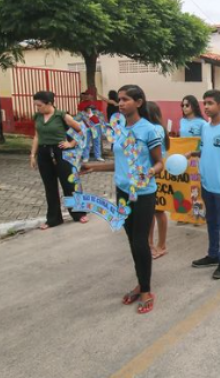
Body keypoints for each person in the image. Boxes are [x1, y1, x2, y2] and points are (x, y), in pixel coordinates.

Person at [82, 85, 164, 313]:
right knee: (131, 241)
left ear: (138, 102)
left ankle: (146, 290)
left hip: (144, 193)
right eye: (119, 100)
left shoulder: (149, 130)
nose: (120, 103)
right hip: (123, 193)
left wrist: (149, 172)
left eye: (125, 99)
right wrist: (94, 168)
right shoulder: (118, 129)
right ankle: (141, 283)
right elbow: (120, 162)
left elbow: (159, 162)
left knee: (140, 241)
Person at [186, 90, 220, 280]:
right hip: (207, 184)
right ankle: (213, 254)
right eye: (205, 103)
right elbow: (204, 150)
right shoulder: (205, 128)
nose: (206, 107)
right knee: (211, 221)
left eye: (210, 103)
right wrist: (192, 154)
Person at [30, 91, 89, 230]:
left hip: (62, 152)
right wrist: (33, 155)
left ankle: (78, 213)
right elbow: (37, 136)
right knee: (49, 187)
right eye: (36, 105)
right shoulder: (38, 117)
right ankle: (53, 219)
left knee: (69, 184)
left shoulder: (62, 116)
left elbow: (81, 131)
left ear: (49, 103)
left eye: (39, 105)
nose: (37, 108)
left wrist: (71, 144)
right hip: (44, 153)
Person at [147, 101, 170, 260]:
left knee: (158, 210)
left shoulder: (156, 129)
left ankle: (161, 245)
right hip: (149, 174)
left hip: (156, 173)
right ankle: (150, 244)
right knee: (150, 211)